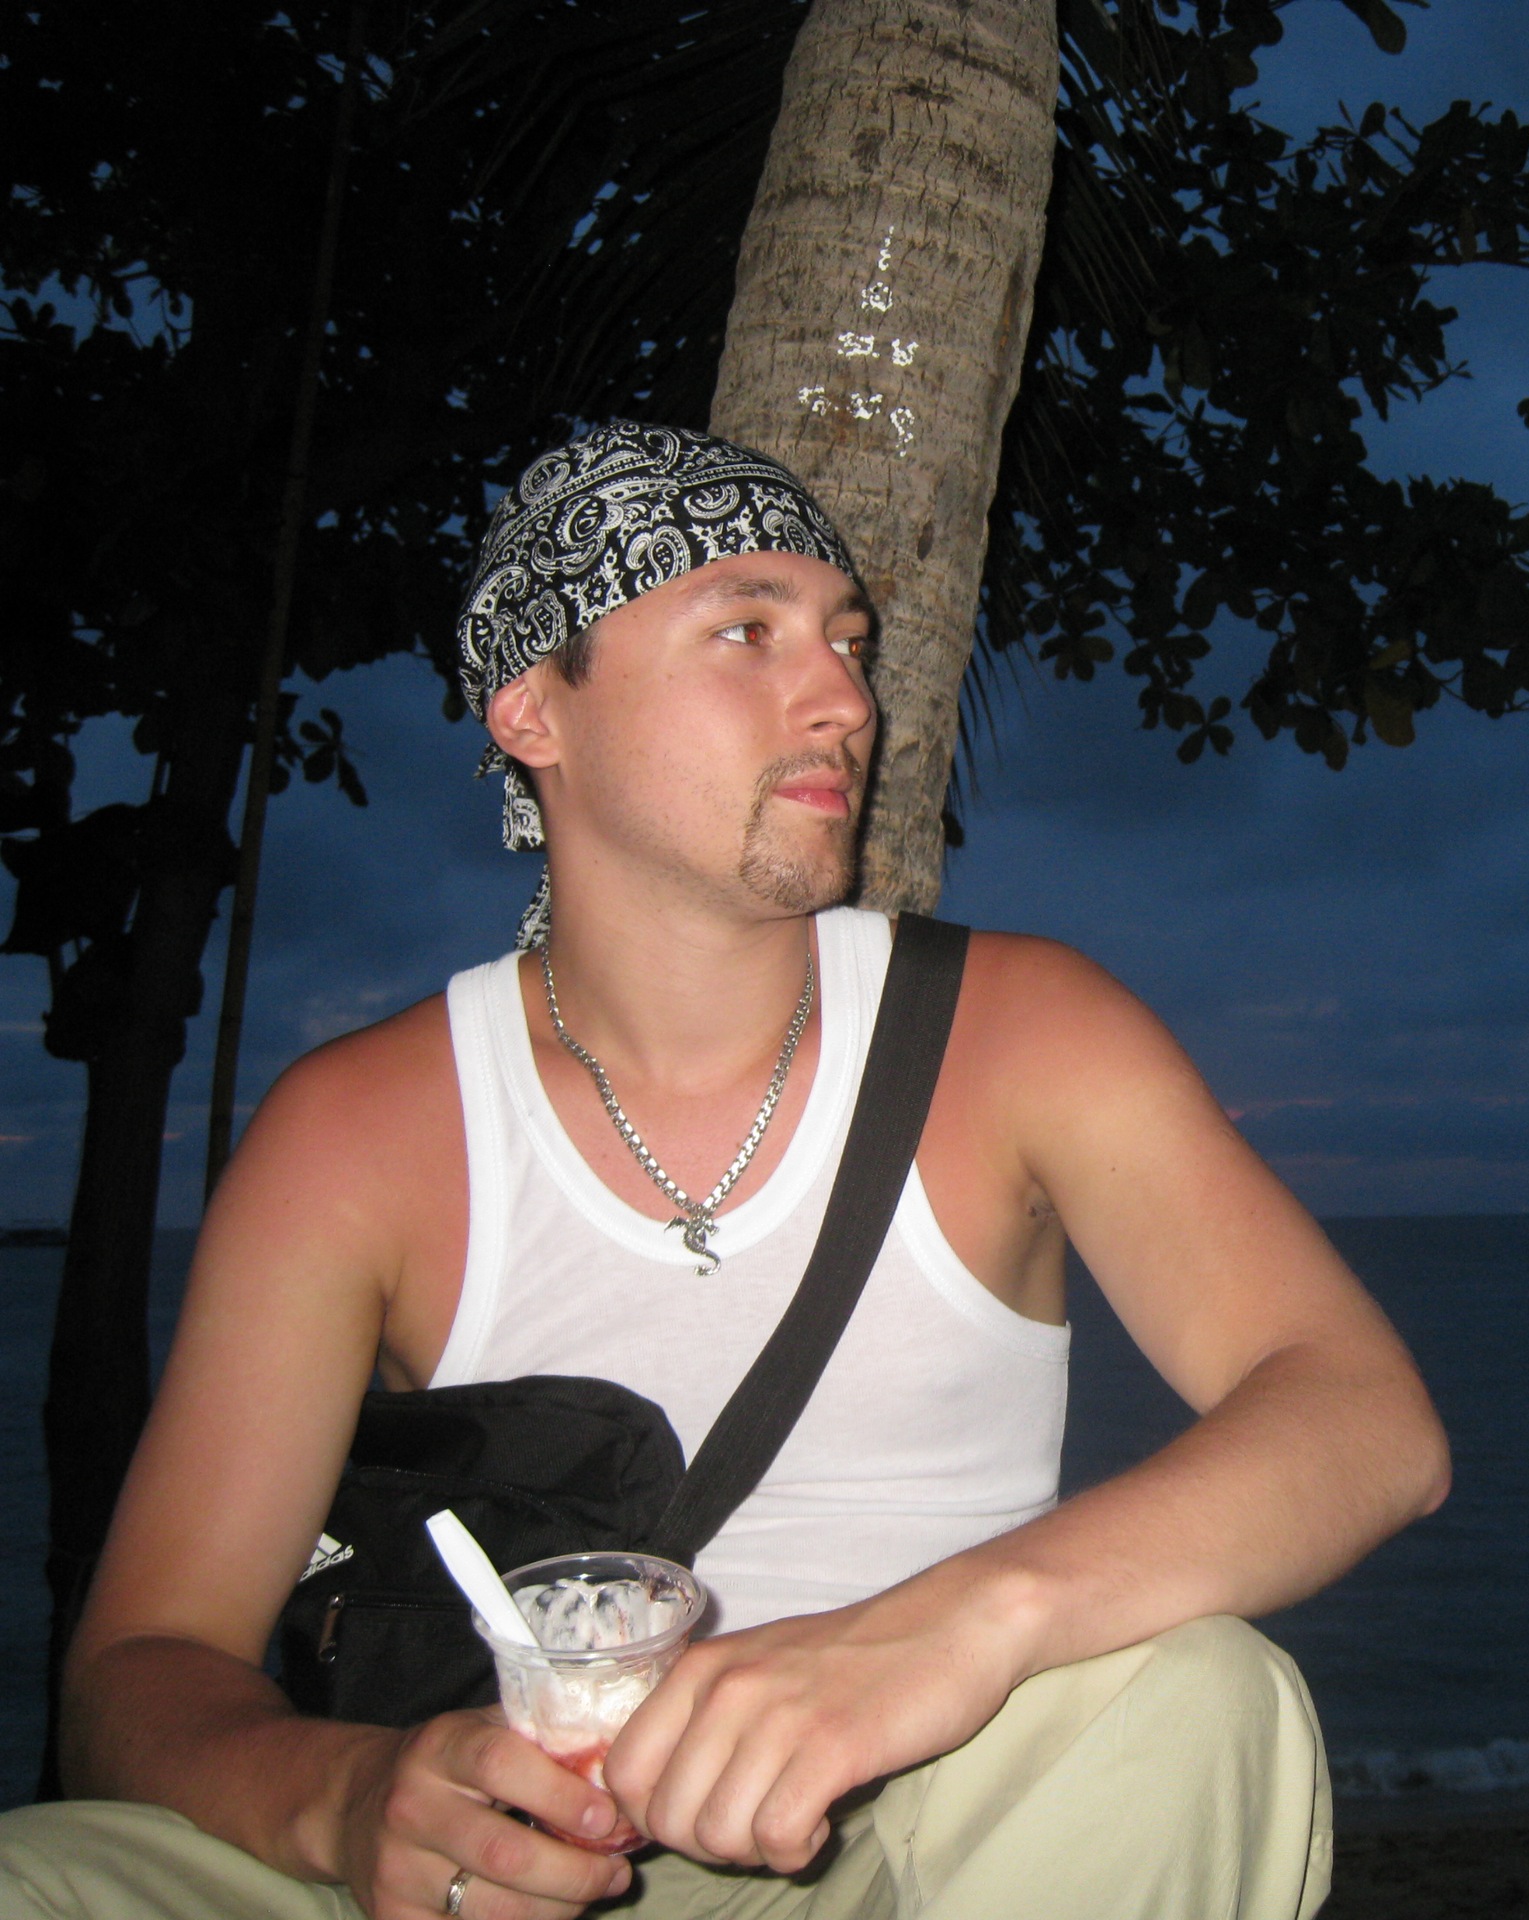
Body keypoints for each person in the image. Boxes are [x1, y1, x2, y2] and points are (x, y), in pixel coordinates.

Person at [0, 422, 1449, 1919]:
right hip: (516, 1864)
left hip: (926, 1845)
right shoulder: (356, 1132)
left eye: (847, 642)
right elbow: (139, 1669)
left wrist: (950, 1631)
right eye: (746, 632)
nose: (846, 700)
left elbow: (1362, 1414)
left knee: (1199, 1698)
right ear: (535, 711)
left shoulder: (1021, 1033)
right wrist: (349, 1797)